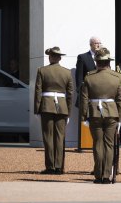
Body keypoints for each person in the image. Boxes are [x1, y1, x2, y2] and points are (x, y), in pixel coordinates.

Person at [81, 48, 121, 184]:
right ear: (108, 62)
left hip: (95, 113)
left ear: (97, 62)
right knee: (109, 144)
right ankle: (107, 175)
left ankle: (98, 174)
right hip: (112, 113)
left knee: (97, 144)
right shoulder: (117, 77)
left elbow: (84, 99)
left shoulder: (89, 77)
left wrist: (84, 116)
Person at [34, 47, 74, 175]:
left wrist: (37, 109)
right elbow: (70, 94)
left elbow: (38, 91)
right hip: (62, 107)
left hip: (46, 106)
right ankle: (59, 166)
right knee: (60, 137)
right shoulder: (67, 72)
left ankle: (50, 166)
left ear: (50, 57)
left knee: (48, 137)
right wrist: (68, 111)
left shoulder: (42, 71)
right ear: (60, 58)